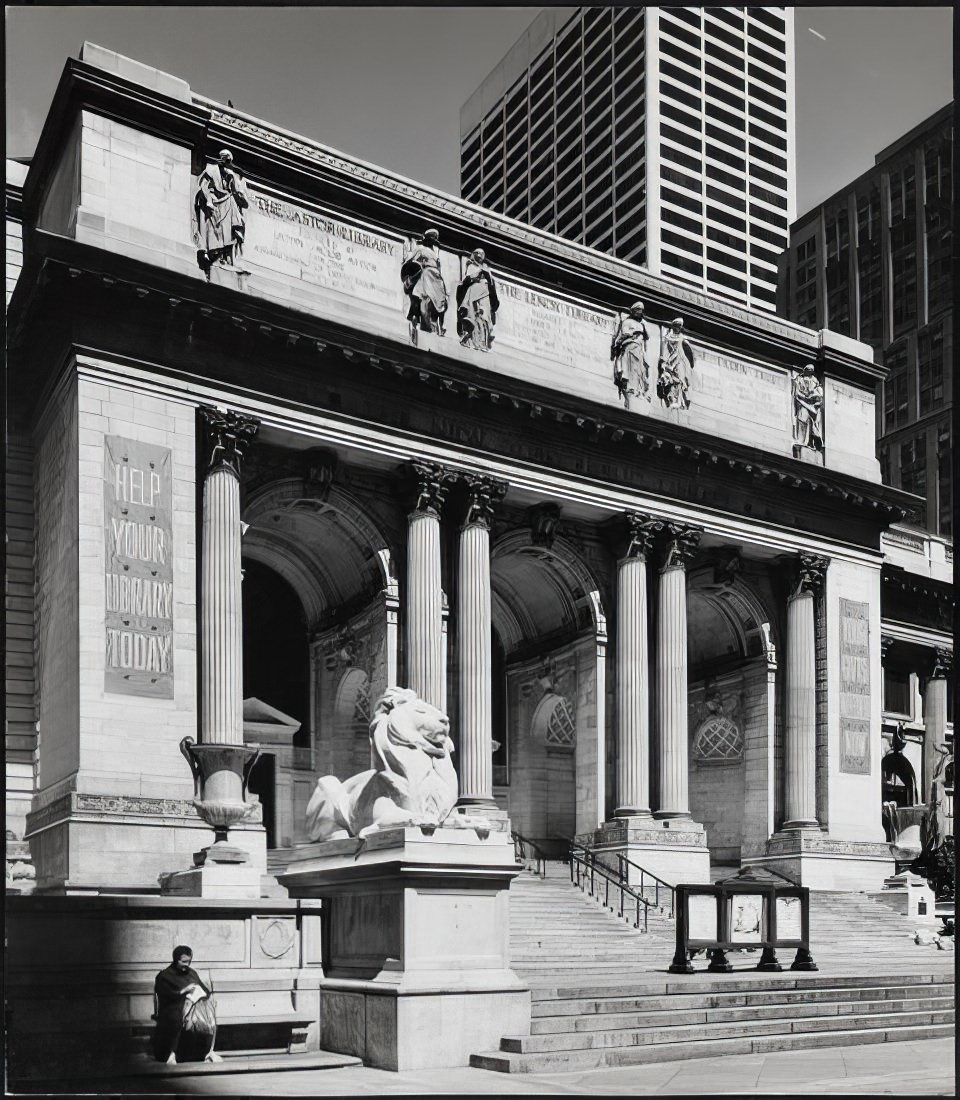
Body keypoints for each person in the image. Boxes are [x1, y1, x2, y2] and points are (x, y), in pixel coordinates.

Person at [152, 946, 220, 1064]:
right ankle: (172, 1054)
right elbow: (164, 995)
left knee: (210, 1017)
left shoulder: (191, 973)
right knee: (177, 1016)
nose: (187, 964)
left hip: (194, 1008)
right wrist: (183, 991)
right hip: (172, 1006)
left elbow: (205, 991)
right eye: (183, 961)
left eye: (189, 961)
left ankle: (209, 1052)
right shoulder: (165, 976)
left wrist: (204, 994)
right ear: (175, 959)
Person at [193, 149, 249, 278]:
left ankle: (227, 257)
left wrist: (232, 178)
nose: (227, 163)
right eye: (225, 160)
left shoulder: (231, 175)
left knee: (231, 205)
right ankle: (213, 253)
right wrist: (208, 200)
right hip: (213, 203)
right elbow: (203, 186)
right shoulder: (211, 170)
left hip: (226, 204)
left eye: (229, 161)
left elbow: (242, 199)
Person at [400, 229, 448, 344]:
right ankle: (421, 319)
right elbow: (409, 261)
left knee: (441, 300)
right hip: (425, 274)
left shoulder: (435, 252)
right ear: (426, 238)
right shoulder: (420, 248)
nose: (433, 241)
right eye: (431, 238)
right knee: (422, 296)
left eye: (434, 239)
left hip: (436, 276)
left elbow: (438, 267)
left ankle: (436, 323)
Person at [456, 249, 499, 351]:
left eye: (482, 254)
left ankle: (482, 343)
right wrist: (477, 276)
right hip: (474, 293)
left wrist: (487, 276)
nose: (480, 256)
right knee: (473, 317)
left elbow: (491, 284)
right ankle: (471, 340)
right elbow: (466, 281)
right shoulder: (470, 266)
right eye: (477, 254)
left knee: (484, 318)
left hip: (485, 294)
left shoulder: (486, 269)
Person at [611, 301, 649, 407]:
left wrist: (644, 327)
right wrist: (632, 333)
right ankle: (630, 388)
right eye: (637, 310)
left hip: (639, 350)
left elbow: (647, 337)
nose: (639, 313)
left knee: (639, 370)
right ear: (633, 311)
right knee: (630, 368)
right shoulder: (627, 322)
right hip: (629, 348)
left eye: (641, 311)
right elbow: (624, 333)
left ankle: (638, 390)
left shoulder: (642, 324)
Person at [657, 317, 694, 409]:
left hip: (680, 361)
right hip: (670, 362)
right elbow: (664, 350)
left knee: (680, 380)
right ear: (673, 326)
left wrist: (690, 363)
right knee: (670, 380)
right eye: (677, 326)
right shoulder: (667, 337)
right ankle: (672, 399)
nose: (678, 328)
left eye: (680, 327)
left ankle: (681, 400)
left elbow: (689, 351)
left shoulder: (682, 338)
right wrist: (664, 362)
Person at [792, 364, 824, 451]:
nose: (809, 371)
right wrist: (805, 396)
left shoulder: (815, 380)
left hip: (813, 406)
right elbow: (797, 393)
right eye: (808, 370)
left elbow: (820, 394)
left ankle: (814, 442)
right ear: (804, 370)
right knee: (802, 419)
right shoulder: (799, 379)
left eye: (811, 370)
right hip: (802, 402)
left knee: (813, 425)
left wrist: (814, 397)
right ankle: (801, 441)